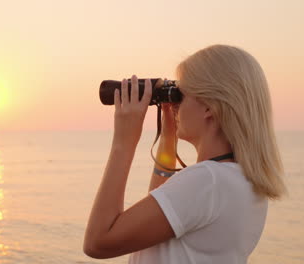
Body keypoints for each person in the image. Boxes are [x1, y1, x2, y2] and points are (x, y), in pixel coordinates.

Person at [83, 44, 287, 264]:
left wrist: (124, 142)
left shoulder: (207, 180)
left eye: (181, 95)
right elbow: (159, 213)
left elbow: (98, 242)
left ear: (209, 107)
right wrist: (168, 136)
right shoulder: (240, 179)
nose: (175, 105)